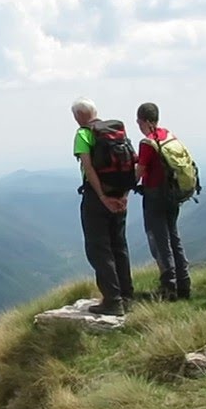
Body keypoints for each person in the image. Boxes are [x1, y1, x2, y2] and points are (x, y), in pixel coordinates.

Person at [72, 97, 133, 315]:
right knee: (119, 245)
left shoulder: (83, 134)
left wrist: (102, 197)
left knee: (99, 248)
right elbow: (130, 165)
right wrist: (124, 195)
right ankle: (127, 296)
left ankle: (112, 301)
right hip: (120, 195)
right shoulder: (116, 132)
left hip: (97, 198)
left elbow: (88, 168)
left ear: (78, 117)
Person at [135, 102, 191, 300]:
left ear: (144, 121)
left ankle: (169, 287)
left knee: (160, 240)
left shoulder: (147, 143)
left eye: (139, 122)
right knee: (173, 236)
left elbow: (139, 173)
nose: (138, 126)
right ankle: (184, 283)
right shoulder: (168, 136)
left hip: (155, 196)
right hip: (173, 195)